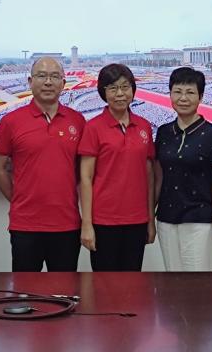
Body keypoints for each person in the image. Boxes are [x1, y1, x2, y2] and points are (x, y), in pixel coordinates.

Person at [0, 57, 84, 271]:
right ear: (30, 81)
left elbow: (83, 169)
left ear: (63, 82)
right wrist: (17, 197)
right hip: (25, 225)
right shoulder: (11, 121)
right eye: (41, 76)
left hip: (66, 223)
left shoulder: (77, 121)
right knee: (25, 289)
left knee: (64, 289)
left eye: (54, 76)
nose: (48, 82)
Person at [154, 66, 212, 271]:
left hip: (200, 220)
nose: (183, 98)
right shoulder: (164, 132)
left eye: (190, 92)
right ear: (170, 94)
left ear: (201, 96)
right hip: (166, 219)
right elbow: (159, 176)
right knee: (173, 280)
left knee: (199, 284)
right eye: (177, 92)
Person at [78, 63, 156, 271]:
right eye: (113, 88)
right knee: (104, 284)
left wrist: (150, 219)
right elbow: (85, 178)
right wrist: (87, 224)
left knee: (132, 282)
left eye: (125, 87)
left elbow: (149, 176)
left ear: (132, 89)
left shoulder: (144, 126)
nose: (120, 94)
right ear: (103, 92)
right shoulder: (93, 127)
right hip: (103, 221)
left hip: (137, 220)